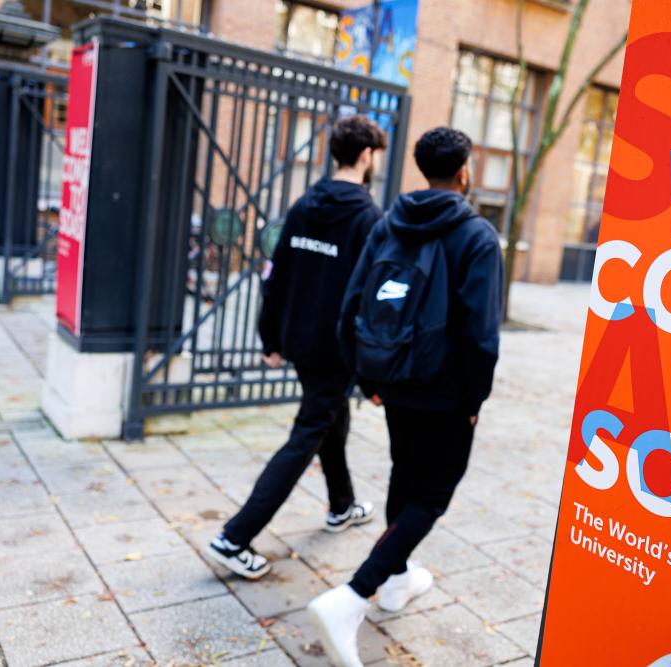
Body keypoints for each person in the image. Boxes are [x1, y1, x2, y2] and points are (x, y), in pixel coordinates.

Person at [308, 127, 503, 666]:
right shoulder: (477, 236)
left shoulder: (390, 223)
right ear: (463, 171)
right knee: (432, 496)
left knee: (405, 472)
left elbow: (350, 306)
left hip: (394, 380)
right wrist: (473, 402)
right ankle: (353, 596)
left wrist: (368, 381)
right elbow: (481, 336)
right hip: (446, 393)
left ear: (423, 169)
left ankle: (396, 580)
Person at [205, 115, 388, 579]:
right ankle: (234, 537)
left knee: (330, 417)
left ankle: (342, 505)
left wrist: (271, 337)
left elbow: (277, 275)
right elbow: (370, 297)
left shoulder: (305, 204)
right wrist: (372, 364)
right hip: (335, 350)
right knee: (308, 432)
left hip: (300, 342)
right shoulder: (368, 218)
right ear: (366, 156)